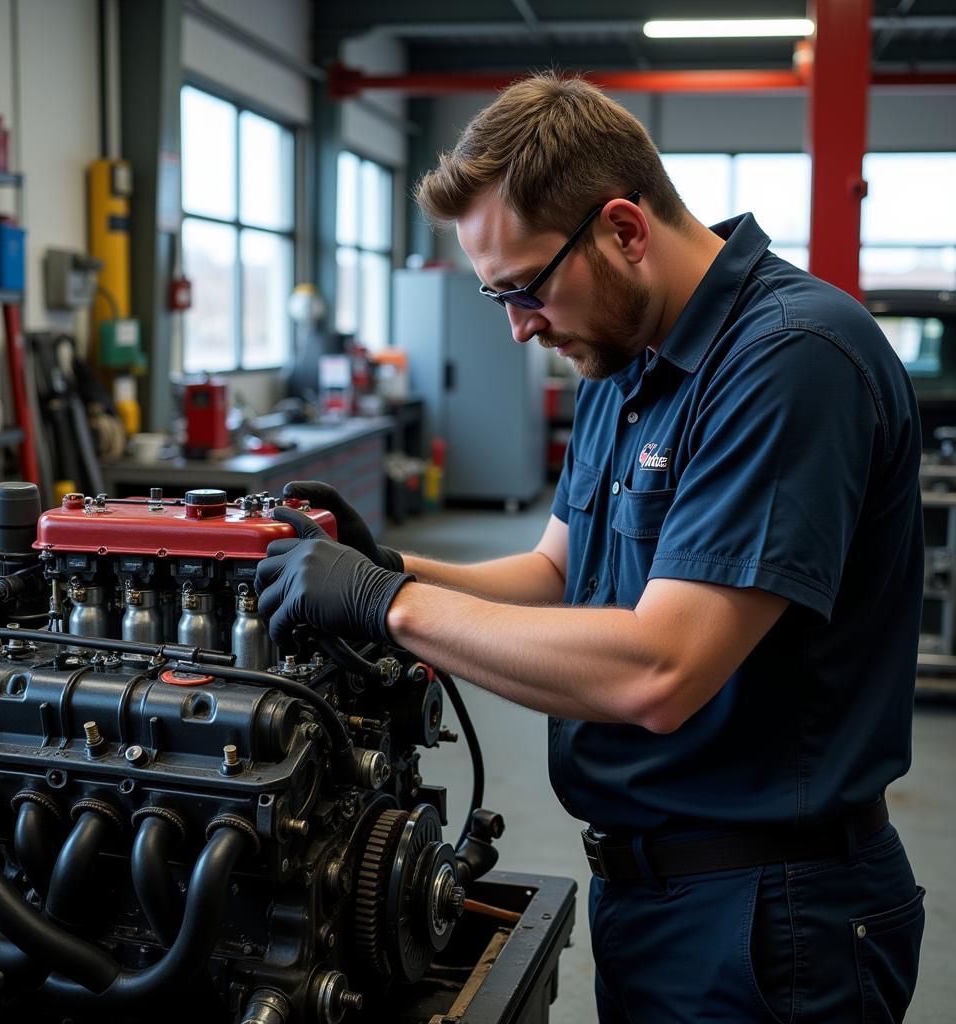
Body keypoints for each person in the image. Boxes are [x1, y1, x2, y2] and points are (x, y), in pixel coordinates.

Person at [256, 73, 925, 1022]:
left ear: (624, 228)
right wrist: (392, 566)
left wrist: (386, 607)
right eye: (497, 297)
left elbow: (661, 670)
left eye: (525, 288)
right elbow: (555, 574)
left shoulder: (792, 358)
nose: (520, 325)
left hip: (772, 915)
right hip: (647, 891)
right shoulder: (621, 357)